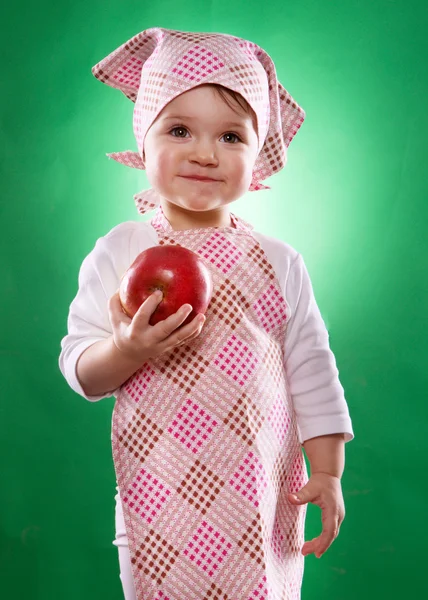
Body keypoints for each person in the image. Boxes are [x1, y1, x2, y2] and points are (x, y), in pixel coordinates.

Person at [59, 27, 354, 600]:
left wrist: (328, 472)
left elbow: (313, 372)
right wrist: (125, 350)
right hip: (160, 497)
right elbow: (80, 369)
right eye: (178, 130)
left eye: (230, 136)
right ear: (143, 143)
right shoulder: (123, 249)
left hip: (263, 501)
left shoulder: (279, 261)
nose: (204, 152)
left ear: (258, 154)